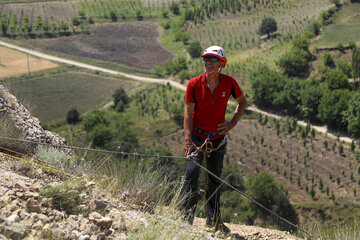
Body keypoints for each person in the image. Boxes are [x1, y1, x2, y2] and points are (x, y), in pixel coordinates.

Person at [179, 46, 247, 232]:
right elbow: (188, 113)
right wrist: (187, 140)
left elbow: (242, 103)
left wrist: (232, 123)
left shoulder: (229, 83)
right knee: (191, 174)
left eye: (213, 59)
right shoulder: (194, 84)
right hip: (196, 137)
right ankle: (185, 220)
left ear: (221, 63)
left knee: (214, 180)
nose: (208, 62)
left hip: (217, 139)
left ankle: (214, 220)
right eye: (206, 59)